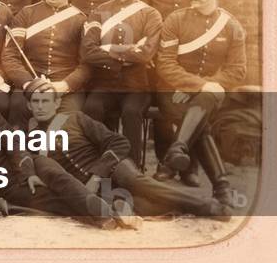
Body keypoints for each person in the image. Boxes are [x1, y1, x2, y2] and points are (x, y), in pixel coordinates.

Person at [0, 74, 123, 228]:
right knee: (54, 202)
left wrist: (28, 173)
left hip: (30, 164)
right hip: (7, 186)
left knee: (63, 181)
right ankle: (108, 216)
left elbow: (13, 143)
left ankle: (106, 213)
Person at [27, 83, 230, 219]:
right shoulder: (31, 140)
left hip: (113, 167)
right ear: (28, 105)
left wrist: (98, 175)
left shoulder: (75, 118)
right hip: (92, 187)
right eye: (35, 101)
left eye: (45, 101)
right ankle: (189, 206)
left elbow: (118, 142)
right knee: (143, 207)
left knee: (137, 183)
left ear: (56, 103)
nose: (40, 106)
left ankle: (206, 205)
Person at [154, 0, 246, 205]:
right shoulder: (176, 19)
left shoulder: (231, 26)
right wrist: (199, 84)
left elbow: (237, 70)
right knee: (201, 122)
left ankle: (176, 152)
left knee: (205, 101)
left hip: (210, 93)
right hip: (174, 90)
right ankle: (221, 186)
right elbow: (165, 64)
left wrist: (206, 87)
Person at [80, 0, 162, 167]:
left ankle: (131, 169)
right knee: (92, 107)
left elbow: (146, 54)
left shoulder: (149, 14)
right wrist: (127, 51)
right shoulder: (98, 12)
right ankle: (96, 164)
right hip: (104, 84)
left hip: (136, 86)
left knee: (131, 112)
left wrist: (107, 48)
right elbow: (88, 52)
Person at [2, 0, 89, 122]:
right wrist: (29, 84)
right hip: (30, 83)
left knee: (68, 122)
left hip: (65, 87)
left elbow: (86, 64)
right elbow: (10, 56)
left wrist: (65, 85)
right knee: (18, 107)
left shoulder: (81, 20)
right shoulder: (26, 14)